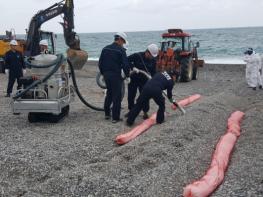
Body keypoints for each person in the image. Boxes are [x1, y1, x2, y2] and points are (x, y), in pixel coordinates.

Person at [98, 32, 130, 123]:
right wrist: (127, 76)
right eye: (123, 42)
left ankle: (107, 114)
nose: (123, 44)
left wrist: (103, 73)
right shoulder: (121, 50)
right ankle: (115, 118)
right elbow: (125, 65)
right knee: (117, 96)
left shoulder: (105, 48)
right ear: (119, 39)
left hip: (106, 75)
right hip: (116, 75)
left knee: (109, 94)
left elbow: (100, 63)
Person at [126, 44, 159, 119]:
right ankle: (131, 111)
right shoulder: (137, 55)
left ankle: (145, 112)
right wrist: (132, 67)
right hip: (133, 79)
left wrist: (154, 80)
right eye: (151, 55)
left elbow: (153, 72)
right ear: (147, 52)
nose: (152, 57)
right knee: (131, 96)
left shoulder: (153, 60)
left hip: (144, 80)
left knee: (145, 97)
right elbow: (126, 60)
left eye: (153, 56)